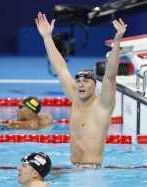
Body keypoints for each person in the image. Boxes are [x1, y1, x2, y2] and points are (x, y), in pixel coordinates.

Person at [35, 12, 127, 168]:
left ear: (94, 86)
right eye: (78, 81)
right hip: (75, 169)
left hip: (90, 174)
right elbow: (60, 69)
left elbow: (110, 75)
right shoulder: (76, 100)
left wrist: (117, 41)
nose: (81, 84)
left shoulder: (103, 104)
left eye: (86, 81)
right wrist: (47, 38)